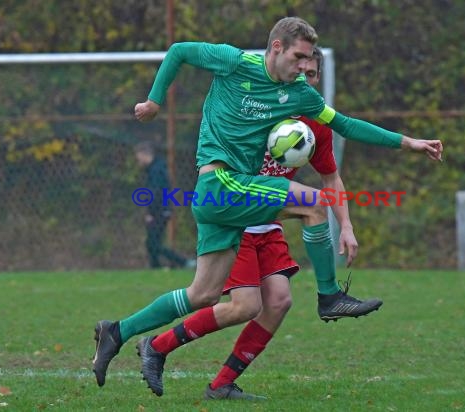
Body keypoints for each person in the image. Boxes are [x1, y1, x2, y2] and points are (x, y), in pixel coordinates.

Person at [92, 17, 443, 389]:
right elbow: (179, 51)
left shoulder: (301, 96)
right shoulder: (234, 62)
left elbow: (346, 124)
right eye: (298, 58)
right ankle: (328, 296)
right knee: (313, 204)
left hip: (230, 197)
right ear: (276, 47)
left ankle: (117, 330)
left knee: (204, 293)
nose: (302, 68)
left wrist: (408, 142)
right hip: (220, 182)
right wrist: (154, 100)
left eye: (309, 62)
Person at [135, 47, 371, 400]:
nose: (303, 79)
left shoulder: (314, 127)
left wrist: (347, 225)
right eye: (299, 71)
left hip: (269, 226)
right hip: (239, 219)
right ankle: (157, 345)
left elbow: (330, 178)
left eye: (311, 76)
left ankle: (221, 384)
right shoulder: (260, 107)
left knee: (278, 301)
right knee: (241, 306)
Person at [134, 141, 196, 269]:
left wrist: (151, 212)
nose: (138, 160)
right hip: (162, 209)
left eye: (138, 156)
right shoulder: (156, 168)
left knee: (154, 243)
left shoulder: (156, 170)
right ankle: (155, 267)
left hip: (159, 211)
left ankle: (184, 262)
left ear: (145, 154)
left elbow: (155, 193)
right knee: (151, 243)